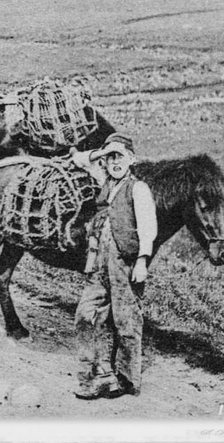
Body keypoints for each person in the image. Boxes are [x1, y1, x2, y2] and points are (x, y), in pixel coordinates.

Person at [69, 133, 157, 399]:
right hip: (98, 263)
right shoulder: (103, 180)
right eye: (110, 158)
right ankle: (97, 374)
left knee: (125, 321)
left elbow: (147, 227)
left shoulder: (138, 188)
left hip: (124, 263)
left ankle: (126, 380)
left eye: (120, 156)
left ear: (132, 159)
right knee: (86, 314)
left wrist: (142, 261)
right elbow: (80, 160)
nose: (115, 162)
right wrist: (101, 154)